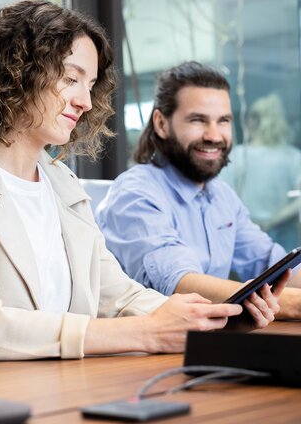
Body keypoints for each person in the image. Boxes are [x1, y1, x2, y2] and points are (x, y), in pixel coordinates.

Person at [0, 3, 283, 363]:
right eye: (71, 78)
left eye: (91, 84)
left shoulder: (62, 182)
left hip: (45, 393)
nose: (85, 100)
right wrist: (145, 333)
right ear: (15, 73)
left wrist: (215, 320)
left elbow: (114, 294)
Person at [96, 61, 301, 319]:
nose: (214, 135)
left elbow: (275, 266)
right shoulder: (135, 193)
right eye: (197, 120)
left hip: (205, 342)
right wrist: (294, 304)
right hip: (144, 353)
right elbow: (182, 286)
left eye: (223, 120)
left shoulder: (222, 196)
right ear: (161, 123)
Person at [220, 93, 301, 251]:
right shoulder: (293, 156)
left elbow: (223, 195)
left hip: (251, 232)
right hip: (275, 232)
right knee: (292, 274)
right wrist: (272, 221)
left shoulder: (238, 155)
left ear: (254, 121)